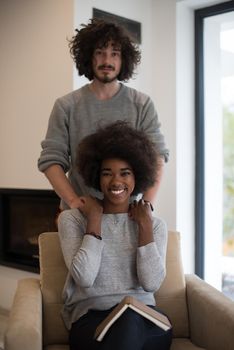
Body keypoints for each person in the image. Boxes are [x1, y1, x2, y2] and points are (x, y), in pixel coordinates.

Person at [58, 121, 172, 350]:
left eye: (125, 173)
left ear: (137, 177)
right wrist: (95, 219)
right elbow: (84, 278)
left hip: (145, 318)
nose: (116, 181)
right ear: (97, 178)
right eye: (107, 173)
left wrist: (145, 226)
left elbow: (151, 283)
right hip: (92, 320)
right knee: (126, 332)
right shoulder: (73, 220)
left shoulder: (155, 226)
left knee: (130, 322)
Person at [38, 19, 169, 212]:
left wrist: (146, 205)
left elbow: (157, 156)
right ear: (89, 57)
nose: (107, 61)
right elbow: (51, 160)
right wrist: (74, 202)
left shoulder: (142, 104)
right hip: (79, 216)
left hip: (128, 216)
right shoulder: (66, 106)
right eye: (100, 53)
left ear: (124, 59)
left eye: (114, 54)